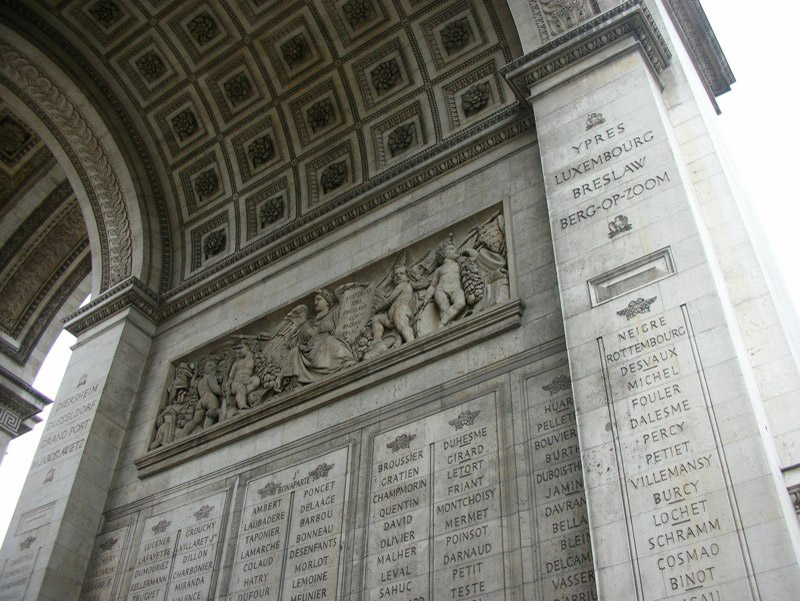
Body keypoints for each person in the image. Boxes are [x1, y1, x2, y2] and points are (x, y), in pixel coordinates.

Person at [282, 289, 355, 388]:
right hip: (309, 353)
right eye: (315, 300)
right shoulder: (308, 324)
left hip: (327, 350)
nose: (315, 303)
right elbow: (293, 343)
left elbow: (342, 329)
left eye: (319, 299)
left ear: (327, 302)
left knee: (331, 340)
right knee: (295, 350)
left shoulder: (334, 315)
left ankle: (346, 362)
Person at [423, 239, 467, 326]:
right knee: (444, 310)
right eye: (451, 249)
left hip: (456, 289)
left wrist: (467, 251)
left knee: (461, 303)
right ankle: (446, 326)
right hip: (441, 290)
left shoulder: (459, 264)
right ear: (444, 254)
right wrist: (426, 298)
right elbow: (433, 286)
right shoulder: (439, 269)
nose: (455, 250)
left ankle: (441, 324)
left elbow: (474, 257)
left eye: (455, 248)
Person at [372, 266, 415, 344]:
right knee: (376, 318)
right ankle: (377, 341)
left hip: (401, 311)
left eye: (401, 273)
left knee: (402, 326)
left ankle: (411, 341)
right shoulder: (397, 287)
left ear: (407, 276)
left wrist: (377, 308)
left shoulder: (404, 285)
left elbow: (390, 300)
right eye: (396, 274)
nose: (398, 276)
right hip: (391, 318)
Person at [228, 345, 260, 412]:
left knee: (256, 380)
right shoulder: (237, 363)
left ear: (248, 348)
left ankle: (241, 395)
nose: (240, 351)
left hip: (247, 381)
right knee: (241, 387)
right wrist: (228, 388)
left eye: (242, 347)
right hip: (236, 383)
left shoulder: (254, 360)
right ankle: (242, 405)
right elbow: (230, 377)